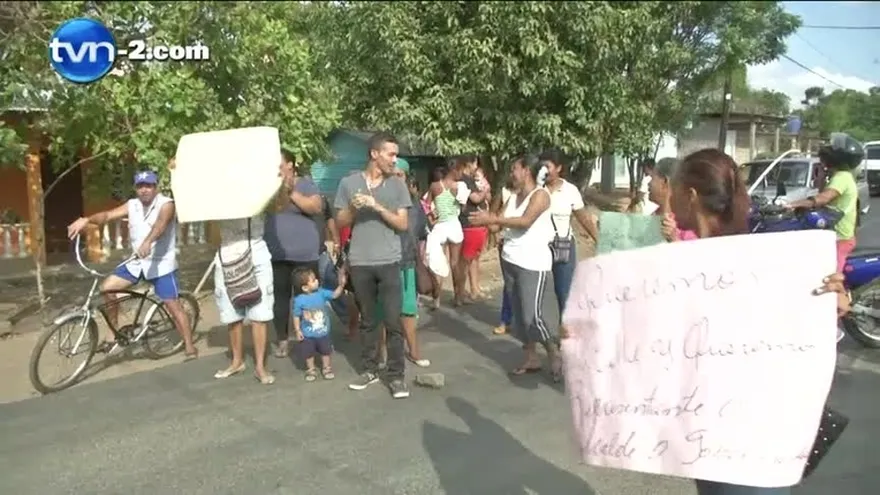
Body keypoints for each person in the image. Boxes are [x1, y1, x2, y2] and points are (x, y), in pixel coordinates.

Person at [656, 148, 849, 495]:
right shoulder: (684, 263)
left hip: (752, 446)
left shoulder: (762, 262)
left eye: (675, 190)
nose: (669, 200)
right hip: (709, 435)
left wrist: (832, 297)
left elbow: (805, 328)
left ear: (691, 195)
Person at [66, 170, 197, 360]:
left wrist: (148, 242)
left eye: (148, 186)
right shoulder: (132, 205)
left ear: (156, 187)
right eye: (140, 186)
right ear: (136, 188)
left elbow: (160, 226)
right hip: (137, 262)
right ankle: (113, 333)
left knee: (173, 306)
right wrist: (87, 220)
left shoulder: (166, 204)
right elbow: (107, 215)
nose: (144, 190)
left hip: (161, 265)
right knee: (107, 289)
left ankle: (189, 346)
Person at [334, 131, 412, 399]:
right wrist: (355, 208)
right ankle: (369, 369)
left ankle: (396, 376)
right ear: (374, 154)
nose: (395, 159)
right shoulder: (349, 183)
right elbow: (340, 222)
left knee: (393, 321)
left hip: (389, 261)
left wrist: (376, 206)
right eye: (391, 154)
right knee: (368, 321)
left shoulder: (397, 185)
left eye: (396, 154)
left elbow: (403, 224)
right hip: (360, 262)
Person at [469, 154, 561, 381]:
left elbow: (525, 221)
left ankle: (554, 353)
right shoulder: (512, 197)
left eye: (514, 169)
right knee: (519, 316)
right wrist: (484, 217)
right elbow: (496, 225)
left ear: (526, 171)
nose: (511, 173)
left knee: (533, 315)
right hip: (510, 260)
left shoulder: (540, 195)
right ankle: (531, 357)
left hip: (533, 263)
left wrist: (492, 219)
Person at [264, 149, 324, 359]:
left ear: (290, 164)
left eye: (279, 162)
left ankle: (313, 337)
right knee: (280, 299)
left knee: (308, 299)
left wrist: (291, 192)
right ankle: (283, 340)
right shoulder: (268, 186)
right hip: (277, 253)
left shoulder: (305, 184)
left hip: (305, 254)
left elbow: (316, 207)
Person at [376, 163, 431, 368]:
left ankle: (414, 352)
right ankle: (381, 354)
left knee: (408, 311)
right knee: (383, 311)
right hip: (384, 264)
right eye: (393, 175)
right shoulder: (379, 202)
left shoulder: (414, 204)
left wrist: (421, 260)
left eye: (400, 175)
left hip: (408, 263)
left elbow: (421, 235)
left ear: (406, 178)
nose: (397, 179)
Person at [787, 133, 864, 273]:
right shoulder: (840, 176)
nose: (823, 162)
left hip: (840, 238)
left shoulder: (842, 177)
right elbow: (823, 196)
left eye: (825, 158)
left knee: (833, 279)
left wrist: (792, 204)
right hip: (833, 235)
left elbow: (823, 198)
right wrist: (822, 177)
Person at [539, 149, 599, 322]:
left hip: (563, 245)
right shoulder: (535, 189)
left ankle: (566, 329)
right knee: (531, 290)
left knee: (564, 291)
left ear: (558, 168)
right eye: (541, 166)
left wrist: (599, 239)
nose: (544, 170)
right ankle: (517, 324)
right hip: (538, 246)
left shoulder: (570, 190)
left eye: (548, 166)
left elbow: (583, 217)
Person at [291, 266, 347, 382]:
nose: (317, 280)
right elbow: (296, 315)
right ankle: (311, 369)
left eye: (315, 278)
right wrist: (297, 330)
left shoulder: (321, 293)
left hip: (323, 332)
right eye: (313, 280)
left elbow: (334, 295)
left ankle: (327, 368)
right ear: (305, 287)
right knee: (308, 353)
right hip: (307, 334)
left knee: (326, 351)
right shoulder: (299, 300)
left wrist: (341, 286)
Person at [424, 163, 465, 309]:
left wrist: (432, 216)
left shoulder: (434, 186)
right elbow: (463, 207)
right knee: (455, 263)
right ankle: (458, 297)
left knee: (438, 262)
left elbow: (426, 205)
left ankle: (436, 299)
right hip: (454, 225)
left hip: (440, 225)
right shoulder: (458, 186)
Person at [453, 155, 489, 304]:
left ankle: (474, 289)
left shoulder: (470, 180)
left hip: (474, 225)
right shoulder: (464, 181)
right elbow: (475, 198)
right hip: (469, 224)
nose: (476, 167)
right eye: (475, 164)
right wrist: (485, 190)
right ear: (469, 163)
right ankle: (460, 294)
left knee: (473, 259)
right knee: (464, 262)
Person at [648, 157, 698, 242]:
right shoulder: (653, 217)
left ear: (665, 182)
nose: (649, 183)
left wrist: (674, 238)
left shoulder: (685, 222)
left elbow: (694, 249)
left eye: (652, 178)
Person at [491, 177, 516, 336]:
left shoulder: (536, 194)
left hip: (527, 245)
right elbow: (493, 215)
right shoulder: (505, 193)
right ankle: (505, 320)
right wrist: (496, 235)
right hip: (507, 242)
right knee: (509, 283)